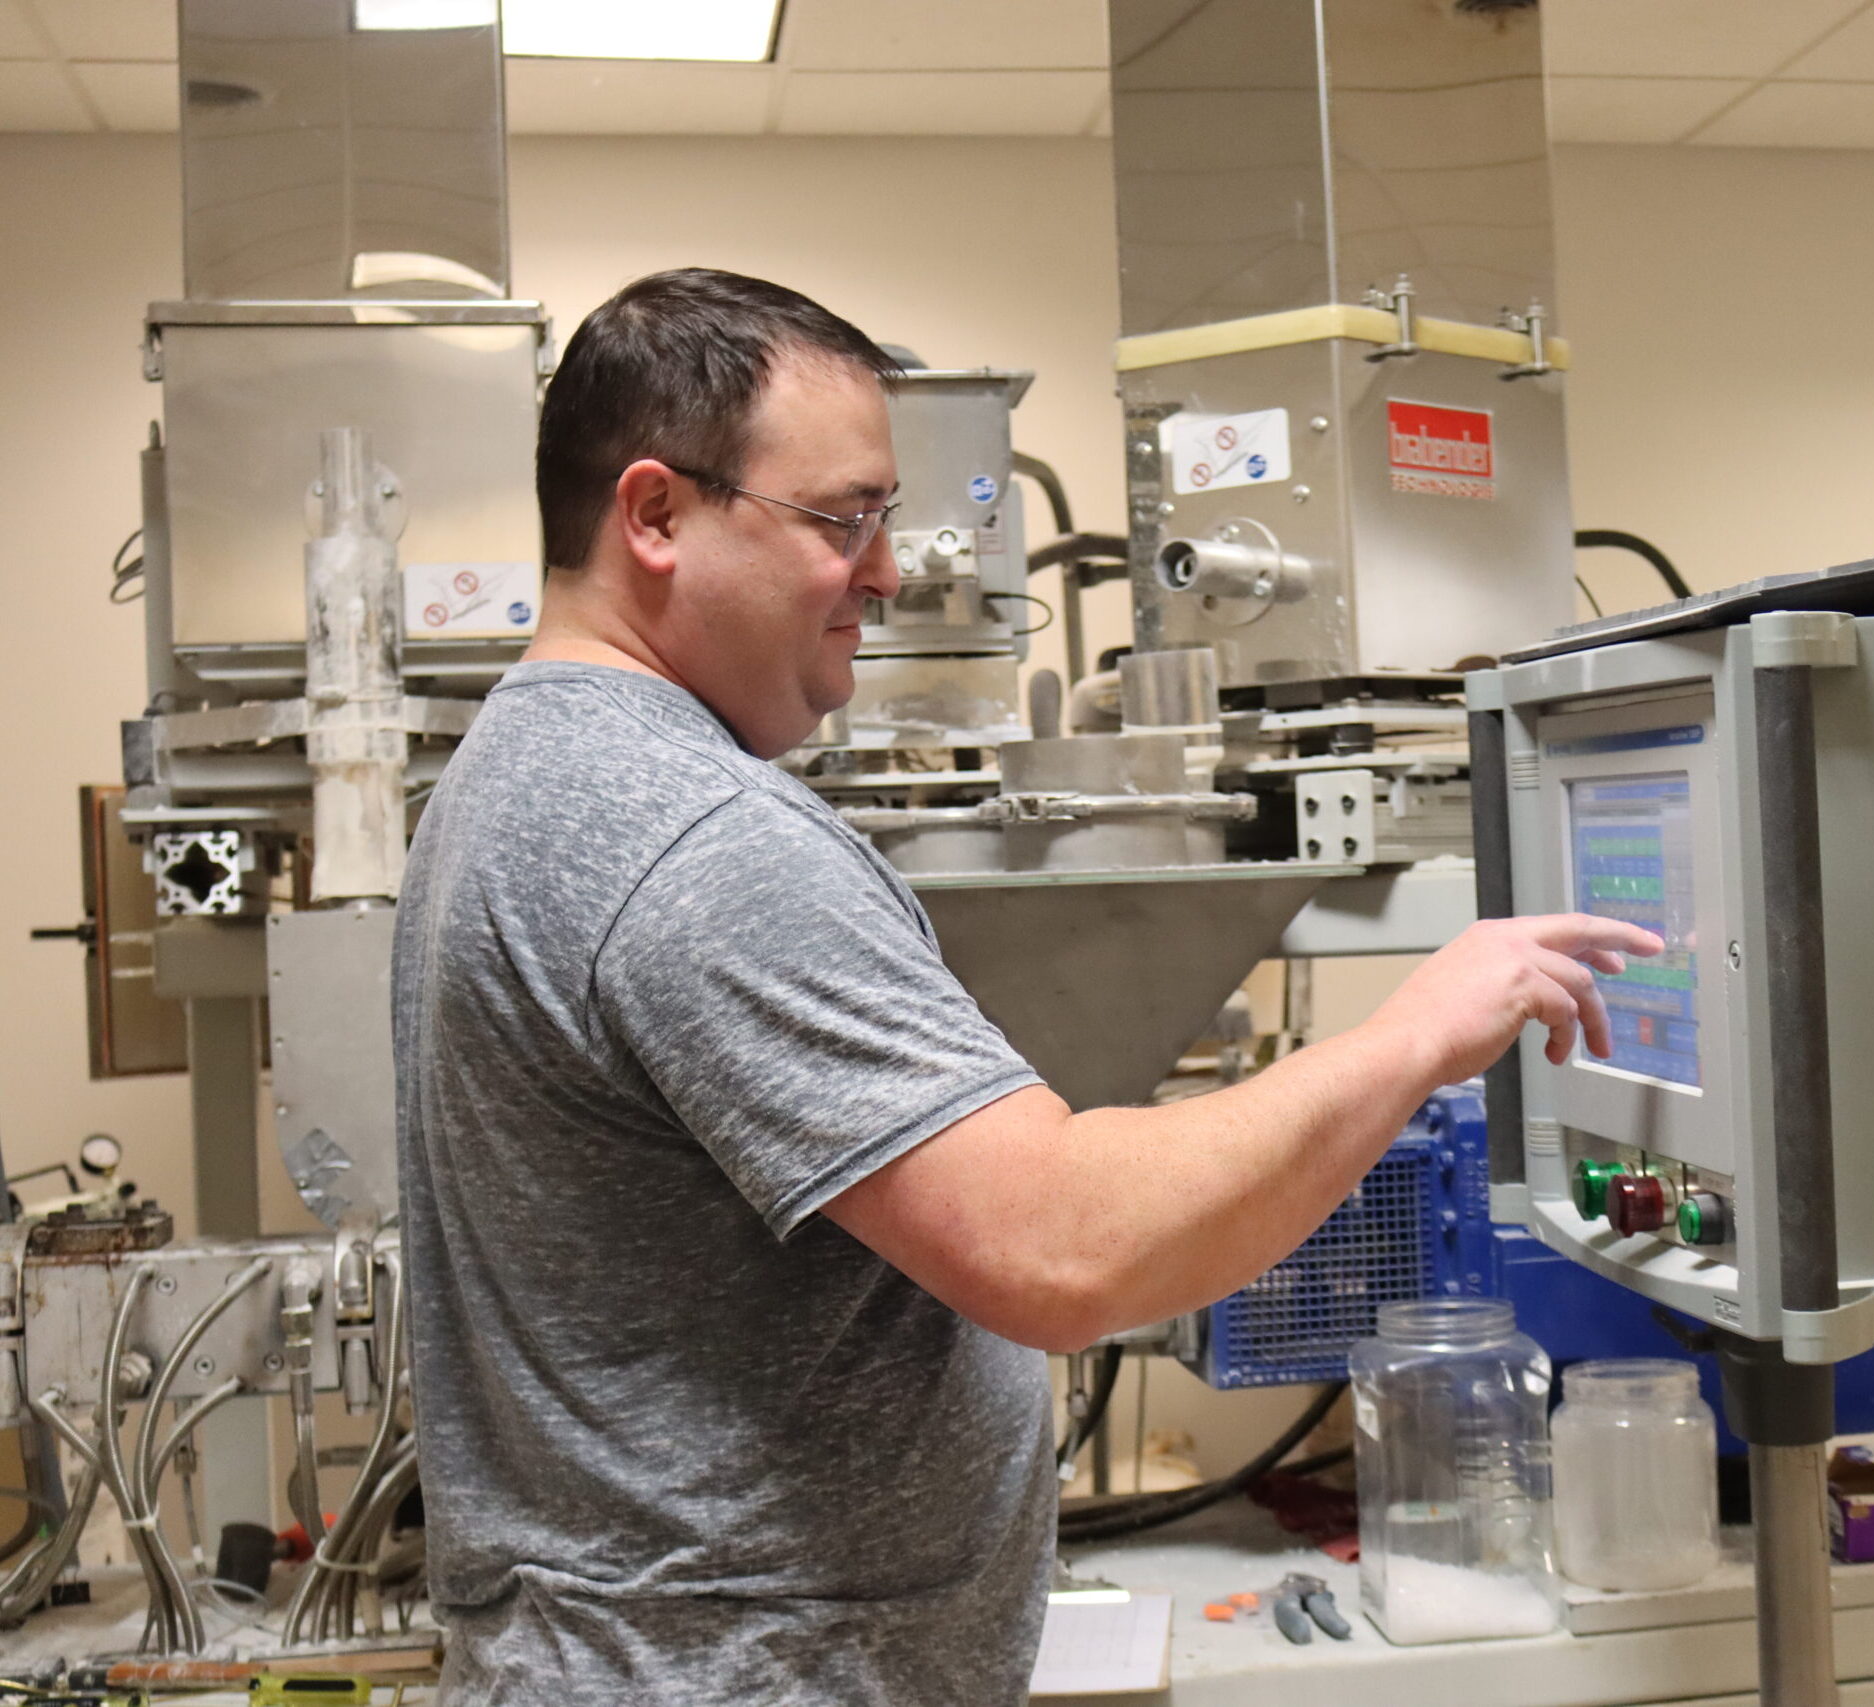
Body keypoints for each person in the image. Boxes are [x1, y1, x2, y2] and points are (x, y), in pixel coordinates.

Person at [393, 267, 1658, 1706]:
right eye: (842, 519)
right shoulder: (691, 838)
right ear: (656, 514)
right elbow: (1063, 1252)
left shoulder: (506, 779)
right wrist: (1418, 1033)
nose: (884, 571)